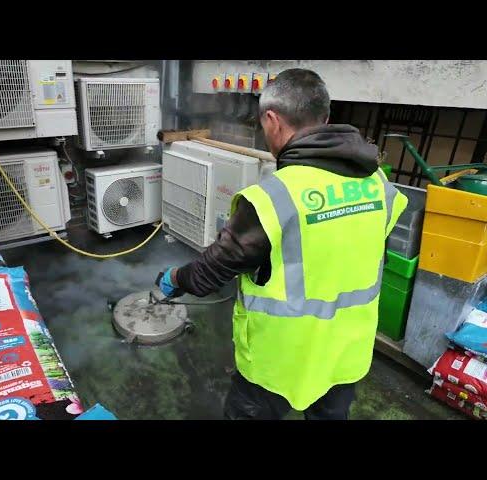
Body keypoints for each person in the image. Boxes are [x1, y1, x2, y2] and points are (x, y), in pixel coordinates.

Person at [155, 68, 408, 420]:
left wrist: (175, 278)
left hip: (277, 364)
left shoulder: (274, 197)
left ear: (272, 120)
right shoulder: (379, 184)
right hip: (345, 354)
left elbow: (209, 274)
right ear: (325, 118)